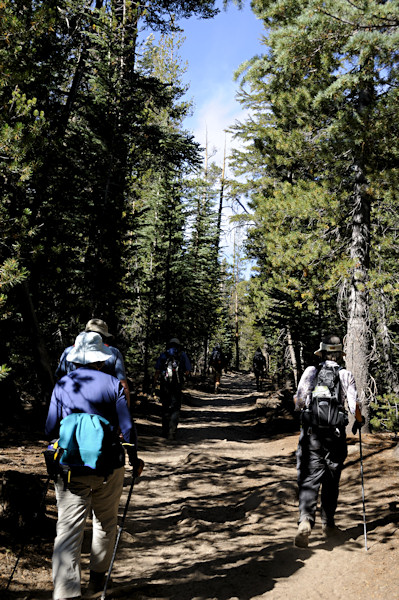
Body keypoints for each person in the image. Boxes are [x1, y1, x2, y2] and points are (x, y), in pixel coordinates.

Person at [45, 331, 142, 599]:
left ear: (76, 359)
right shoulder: (114, 385)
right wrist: (134, 459)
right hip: (109, 465)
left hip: (70, 468)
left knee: (68, 529)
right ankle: (97, 582)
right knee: (105, 522)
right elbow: (127, 428)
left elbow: (50, 428)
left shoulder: (63, 384)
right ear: (101, 359)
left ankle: (66, 592)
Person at [293, 334, 364, 548]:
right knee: (331, 480)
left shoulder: (311, 372)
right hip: (335, 436)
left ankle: (305, 522)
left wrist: (305, 409)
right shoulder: (345, 375)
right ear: (339, 355)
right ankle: (328, 524)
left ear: (322, 353)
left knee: (308, 479)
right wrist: (360, 421)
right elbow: (354, 407)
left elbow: (298, 401)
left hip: (312, 435)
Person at [55, 318, 131, 406]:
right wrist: (126, 413)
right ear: (104, 336)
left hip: (72, 408)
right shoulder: (113, 353)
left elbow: (60, 381)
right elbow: (123, 386)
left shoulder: (68, 352)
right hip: (104, 409)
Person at [153, 338, 191, 440]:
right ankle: (172, 432)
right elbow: (187, 371)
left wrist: (154, 382)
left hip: (165, 384)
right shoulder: (182, 355)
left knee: (165, 406)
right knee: (175, 408)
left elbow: (157, 370)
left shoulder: (163, 355)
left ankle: (164, 430)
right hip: (177, 385)